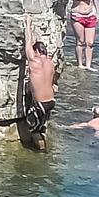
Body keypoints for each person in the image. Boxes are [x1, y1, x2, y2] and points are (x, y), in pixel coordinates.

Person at [20, 11, 57, 142]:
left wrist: (28, 24)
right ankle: (44, 142)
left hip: (40, 104)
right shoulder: (51, 64)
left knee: (33, 130)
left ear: (36, 51)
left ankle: (41, 150)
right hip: (51, 102)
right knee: (41, 126)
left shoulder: (34, 61)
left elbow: (28, 42)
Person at [68, 0, 99, 71]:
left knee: (90, 43)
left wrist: (97, 12)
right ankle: (80, 64)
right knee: (80, 41)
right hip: (77, 16)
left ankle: (88, 65)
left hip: (90, 16)